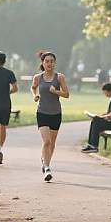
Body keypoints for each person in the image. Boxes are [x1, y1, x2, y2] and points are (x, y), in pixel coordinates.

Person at [31, 51, 69, 182]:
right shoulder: (38, 77)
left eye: (52, 61)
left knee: (52, 143)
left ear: (54, 63)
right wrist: (35, 95)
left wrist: (55, 91)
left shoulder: (60, 78)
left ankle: (45, 161)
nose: (49, 64)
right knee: (46, 141)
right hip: (42, 112)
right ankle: (46, 168)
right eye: (47, 61)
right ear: (42, 63)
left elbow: (66, 94)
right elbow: (33, 87)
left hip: (56, 113)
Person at [81, 82, 111, 153]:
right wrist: (99, 116)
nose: (105, 94)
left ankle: (94, 146)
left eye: (105, 92)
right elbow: (110, 113)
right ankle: (91, 145)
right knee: (95, 121)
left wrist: (102, 117)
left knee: (96, 123)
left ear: (109, 91)